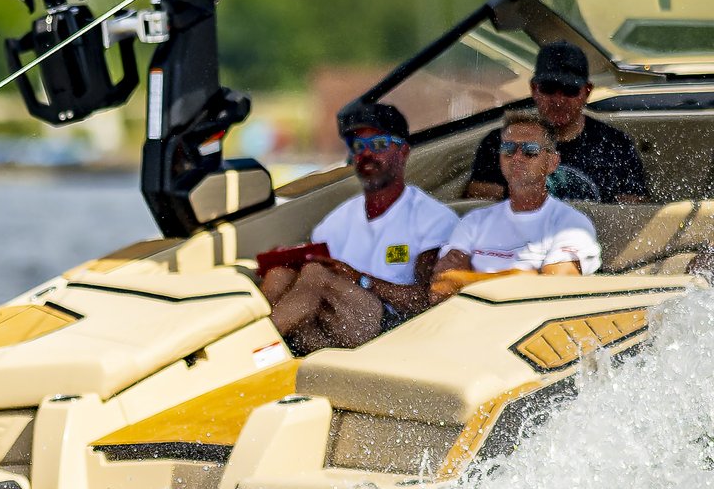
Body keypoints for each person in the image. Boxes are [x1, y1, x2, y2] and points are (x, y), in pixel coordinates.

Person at [262, 102, 458, 352]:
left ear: (403, 151)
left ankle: (252, 348)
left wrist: (359, 279)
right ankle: (265, 354)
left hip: (391, 327)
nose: (366, 154)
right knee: (280, 273)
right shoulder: (336, 220)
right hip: (334, 325)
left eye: (378, 144)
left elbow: (430, 299)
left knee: (316, 273)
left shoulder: (433, 219)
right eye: (358, 146)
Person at [433, 111, 600, 300]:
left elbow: (556, 291)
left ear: (552, 162)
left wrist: (464, 279)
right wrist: (518, 276)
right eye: (508, 148)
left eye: (530, 150)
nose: (517, 157)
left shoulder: (571, 224)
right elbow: (440, 288)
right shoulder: (474, 221)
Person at [463, 41, 652, 203]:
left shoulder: (615, 145)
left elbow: (633, 213)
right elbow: (478, 203)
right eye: (549, 88)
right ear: (534, 89)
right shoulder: (502, 142)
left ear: (587, 91)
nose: (558, 101)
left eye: (570, 90)